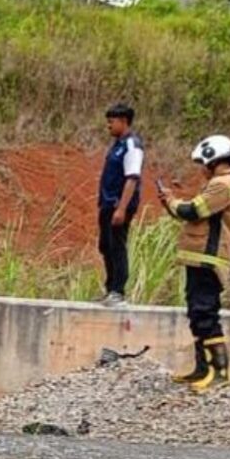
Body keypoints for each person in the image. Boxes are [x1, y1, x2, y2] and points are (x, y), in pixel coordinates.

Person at [158, 135, 230, 393]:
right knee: (197, 313)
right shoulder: (220, 183)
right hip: (200, 259)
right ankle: (203, 368)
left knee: (205, 313)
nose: (201, 169)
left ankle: (219, 373)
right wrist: (172, 204)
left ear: (213, 159)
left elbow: (195, 211)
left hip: (209, 259)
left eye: (202, 163)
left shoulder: (224, 184)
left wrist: (172, 202)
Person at [97, 103, 144, 307]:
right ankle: (110, 289)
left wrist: (122, 208)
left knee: (117, 245)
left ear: (124, 121)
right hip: (108, 203)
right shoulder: (117, 145)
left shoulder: (132, 145)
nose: (108, 125)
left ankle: (118, 291)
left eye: (112, 121)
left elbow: (132, 178)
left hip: (119, 204)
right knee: (105, 245)